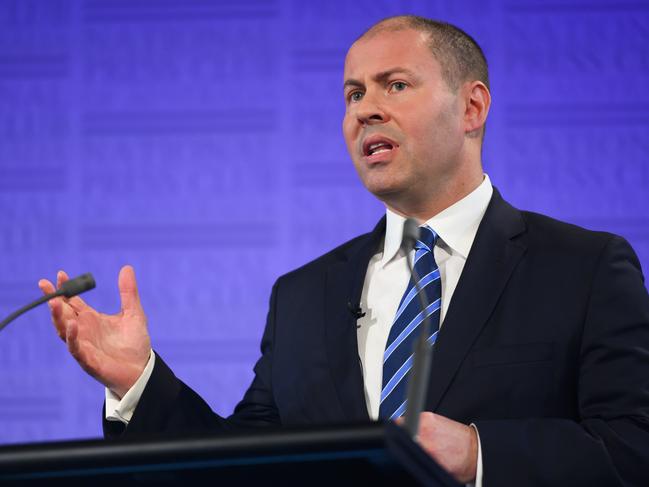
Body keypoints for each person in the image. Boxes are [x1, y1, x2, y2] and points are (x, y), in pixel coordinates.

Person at [39, 15, 649, 486]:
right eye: (353, 94)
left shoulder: (584, 268)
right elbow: (247, 469)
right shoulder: (302, 296)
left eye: (396, 85)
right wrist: (139, 384)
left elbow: (633, 449)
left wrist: (478, 453)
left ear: (472, 107)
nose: (366, 110)